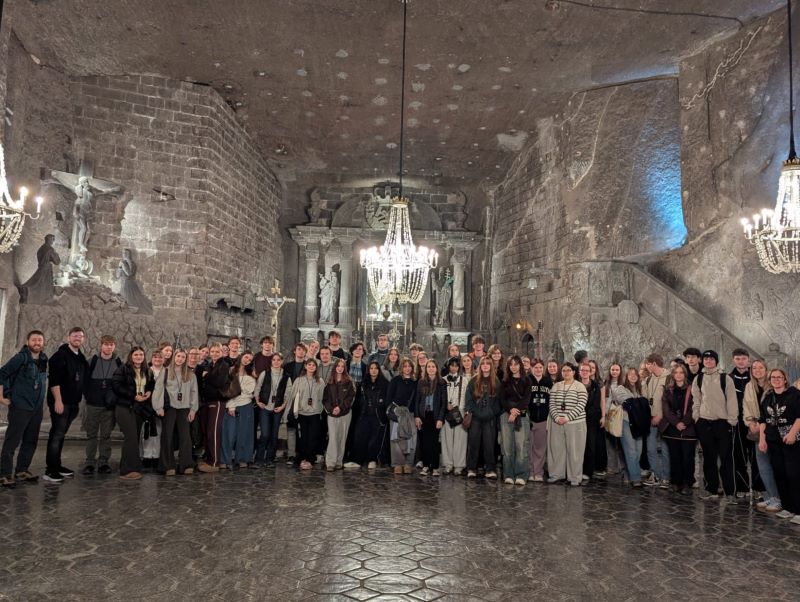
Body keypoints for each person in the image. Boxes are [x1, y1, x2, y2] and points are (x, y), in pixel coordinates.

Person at [0, 331, 48, 488]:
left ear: (43, 343)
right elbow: (2, 373)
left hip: (36, 407)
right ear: (28, 342)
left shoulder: (43, 359)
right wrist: (2, 396)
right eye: (34, 340)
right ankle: (4, 474)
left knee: (31, 440)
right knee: (12, 441)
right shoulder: (20, 358)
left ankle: (21, 471)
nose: (37, 342)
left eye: (39, 340)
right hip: (21, 406)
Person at [44, 327, 89, 483]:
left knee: (61, 435)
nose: (78, 338)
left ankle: (57, 465)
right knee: (56, 435)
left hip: (73, 403)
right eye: (75, 335)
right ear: (69, 337)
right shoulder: (60, 356)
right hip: (60, 402)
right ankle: (50, 470)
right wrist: (58, 400)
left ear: (83, 339)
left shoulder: (80, 357)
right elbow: (54, 380)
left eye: (81, 336)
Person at [693, 350, 738, 502]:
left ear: (716, 361)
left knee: (726, 458)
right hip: (704, 422)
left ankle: (730, 492)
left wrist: (732, 420)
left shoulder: (726, 378)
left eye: (711, 359)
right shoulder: (698, 378)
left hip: (723, 423)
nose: (708, 361)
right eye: (706, 359)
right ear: (703, 361)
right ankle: (711, 489)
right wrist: (696, 417)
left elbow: (732, 400)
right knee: (709, 457)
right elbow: (696, 400)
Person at [759, 369, 800, 523]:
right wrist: (762, 440)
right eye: (773, 377)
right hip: (773, 441)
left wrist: (792, 433)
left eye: (779, 377)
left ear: (785, 379)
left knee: (794, 474)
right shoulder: (768, 398)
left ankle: (799, 510)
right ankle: (788, 508)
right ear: (770, 380)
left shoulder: (794, 394)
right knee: (780, 474)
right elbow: (763, 420)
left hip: (791, 440)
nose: (776, 379)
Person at [152, 349, 198, 476]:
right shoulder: (165, 371)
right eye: (178, 356)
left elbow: (194, 392)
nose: (180, 359)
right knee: (167, 436)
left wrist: (193, 409)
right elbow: (158, 390)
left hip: (184, 408)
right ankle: (167, 466)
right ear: (174, 357)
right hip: (170, 408)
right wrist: (158, 407)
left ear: (186, 359)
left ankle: (186, 464)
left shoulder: (190, 374)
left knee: (185, 437)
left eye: (183, 357)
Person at [112, 347, 154, 481]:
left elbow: (151, 384)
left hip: (138, 408)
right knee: (130, 436)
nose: (139, 356)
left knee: (134, 437)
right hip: (125, 406)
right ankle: (128, 470)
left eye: (141, 354)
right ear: (131, 356)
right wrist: (133, 396)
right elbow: (116, 386)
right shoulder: (123, 369)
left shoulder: (146, 370)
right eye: (136, 354)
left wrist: (149, 392)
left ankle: (129, 467)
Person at [81, 335, 122, 475]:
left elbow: (121, 383)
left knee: (106, 435)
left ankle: (104, 462)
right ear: (101, 345)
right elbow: (83, 380)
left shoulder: (118, 362)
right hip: (92, 405)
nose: (109, 347)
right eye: (106, 344)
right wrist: (88, 396)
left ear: (114, 346)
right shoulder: (92, 361)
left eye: (111, 344)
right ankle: (90, 462)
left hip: (109, 407)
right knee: (91, 435)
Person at [744, 360, 781, 512]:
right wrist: (750, 424)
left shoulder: (773, 385)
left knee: (777, 466)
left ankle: (780, 498)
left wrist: (761, 423)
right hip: (756, 431)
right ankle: (771, 496)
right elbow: (746, 407)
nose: (757, 370)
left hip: (773, 430)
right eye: (754, 368)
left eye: (761, 367)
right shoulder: (749, 386)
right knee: (763, 466)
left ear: (766, 369)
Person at [547, 363, 588, 487]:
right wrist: (557, 417)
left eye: (568, 370)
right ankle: (556, 474)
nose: (566, 373)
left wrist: (567, 417)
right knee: (556, 449)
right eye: (564, 370)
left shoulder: (579, 386)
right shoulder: (556, 386)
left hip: (575, 423)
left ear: (574, 372)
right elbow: (552, 403)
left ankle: (575, 477)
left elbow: (581, 404)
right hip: (557, 422)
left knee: (575, 451)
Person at [660, 363, 697, 495]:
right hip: (673, 429)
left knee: (687, 457)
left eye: (681, 372)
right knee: (675, 457)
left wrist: (684, 422)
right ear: (673, 375)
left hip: (689, 429)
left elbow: (694, 407)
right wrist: (676, 423)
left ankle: (687, 483)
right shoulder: (668, 390)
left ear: (685, 374)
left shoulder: (692, 389)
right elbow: (666, 410)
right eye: (676, 373)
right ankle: (676, 482)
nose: (679, 375)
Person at [198, 343, 232, 473]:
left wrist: (206, 376)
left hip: (217, 402)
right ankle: (208, 459)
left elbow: (220, 382)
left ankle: (215, 462)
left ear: (221, 352)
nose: (214, 353)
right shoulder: (209, 365)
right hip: (207, 402)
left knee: (213, 432)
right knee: (206, 432)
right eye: (212, 351)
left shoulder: (224, 365)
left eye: (217, 351)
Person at [254, 353, 292, 467]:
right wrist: (257, 401)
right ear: (271, 361)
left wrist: (282, 406)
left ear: (281, 361)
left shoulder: (286, 376)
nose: (276, 362)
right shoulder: (265, 373)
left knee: (274, 435)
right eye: (274, 360)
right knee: (265, 434)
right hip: (265, 407)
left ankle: (270, 459)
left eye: (278, 360)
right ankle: (259, 459)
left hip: (277, 408)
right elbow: (258, 387)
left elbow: (288, 394)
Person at [465, 357, 500, 479]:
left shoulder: (495, 381)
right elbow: (468, 400)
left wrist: (490, 413)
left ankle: (490, 469)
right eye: (483, 364)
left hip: (490, 418)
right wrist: (476, 412)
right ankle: (471, 468)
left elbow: (498, 402)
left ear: (491, 366)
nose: (485, 366)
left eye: (488, 364)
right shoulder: (473, 381)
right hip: (475, 417)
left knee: (489, 444)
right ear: (480, 366)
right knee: (473, 443)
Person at [350, 361, 389, 470]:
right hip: (364, 414)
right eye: (371, 368)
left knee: (375, 439)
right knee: (360, 437)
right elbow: (358, 400)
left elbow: (387, 399)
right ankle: (357, 460)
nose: (373, 370)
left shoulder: (385, 384)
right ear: (368, 370)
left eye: (376, 368)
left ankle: (372, 460)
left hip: (378, 415)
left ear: (379, 370)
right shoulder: (363, 383)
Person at [222, 352, 257, 469]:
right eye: (246, 357)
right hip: (230, 406)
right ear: (241, 357)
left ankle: (243, 458)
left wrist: (240, 391)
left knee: (245, 434)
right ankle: (225, 459)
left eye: (250, 359)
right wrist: (231, 404)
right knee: (229, 434)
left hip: (246, 406)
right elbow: (226, 389)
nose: (247, 360)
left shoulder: (251, 374)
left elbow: (250, 392)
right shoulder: (230, 371)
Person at [500, 355, 531, 485]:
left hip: (522, 415)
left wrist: (516, 410)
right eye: (511, 364)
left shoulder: (527, 380)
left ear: (520, 365)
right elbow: (501, 399)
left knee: (521, 446)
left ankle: (521, 475)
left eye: (516, 364)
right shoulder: (505, 381)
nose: (514, 366)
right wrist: (510, 410)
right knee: (507, 446)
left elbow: (526, 399)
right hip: (506, 415)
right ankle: (508, 474)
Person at [729, 348, 756, 497]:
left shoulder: (755, 376)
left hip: (754, 421)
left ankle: (760, 488)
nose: (741, 361)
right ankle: (742, 487)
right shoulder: (728, 378)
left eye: (743, 358)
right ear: (734, 360)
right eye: (738, 359)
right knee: (738, 455)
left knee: (756, 456)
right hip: (736, 422)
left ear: (748, 360)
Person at [292, 358, 325, 470]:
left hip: (315, 414)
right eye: (309, 364)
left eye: (313, 365)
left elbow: (323, 398)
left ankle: (310, 459)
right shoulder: (299, 380)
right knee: (302, 438)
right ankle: (302, 458)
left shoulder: (320, 381)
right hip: (302, 414)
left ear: (316, 367)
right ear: (305, 366)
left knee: (312, 438)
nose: (311, 367)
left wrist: (319, 409)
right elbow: (293, 397)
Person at [323, 358, 356, 470]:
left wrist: (340, 408)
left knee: (342, 437)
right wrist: (331, 409)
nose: (340, 368)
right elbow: (325, 399)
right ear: (335, 367)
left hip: (345, 414)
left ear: (345, 368)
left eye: (342, 366)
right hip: (332, 414)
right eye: (338, 366)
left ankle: (338, 461)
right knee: (332, 437)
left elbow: (351, 398)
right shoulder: (329, 382)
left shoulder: (349, 382)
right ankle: (330, 462)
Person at [643, 353, 670, 488]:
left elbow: (669, 401)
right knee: (650, 449)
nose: (646, 366)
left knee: (665, 449)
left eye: (648, 364)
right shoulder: (648, 380)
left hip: (665, 420)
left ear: (654, 364)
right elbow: (646, 400)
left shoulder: (669, 378)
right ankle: (656, 474)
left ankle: (666, 477)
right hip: (650, 420)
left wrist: (659, 415)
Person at [387, 358, 418, 474]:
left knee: (411, 439)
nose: (407, 368)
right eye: (405, 366)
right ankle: (397, 463)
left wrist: (416, 415)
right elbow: (389, 398)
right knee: (396, 438)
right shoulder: (395, 380)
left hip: (410, 413)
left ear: (412, 368)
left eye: (409, 366)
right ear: (401, 368)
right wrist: (392, 411)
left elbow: (417, 400)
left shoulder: (416, 382)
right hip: (397, 412)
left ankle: (408, 463)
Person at [416, 359, 446, 476]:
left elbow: (443, 402)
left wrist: (440, 418)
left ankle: (435, 467)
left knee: (434, 442)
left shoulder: (441, 382)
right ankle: (426, 465)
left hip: (435, 415)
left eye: (433, 366)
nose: (431, 369)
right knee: (424, 441)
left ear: (436, 369)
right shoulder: (421, 382)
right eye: (429, 367)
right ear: (426, 369)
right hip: (424, 415)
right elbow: (417, 400)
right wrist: (417, 416)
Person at [441, 357, 468, 476]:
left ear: (459, 367)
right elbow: (439, 396)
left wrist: (465, 411)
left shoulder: (465, 380)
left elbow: (467, 397)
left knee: (460, 440)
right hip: (446, 412)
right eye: (451, 365)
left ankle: (459, 465)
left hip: (460, 412)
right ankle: (448, 464)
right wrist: (445, 404)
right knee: (446, 439)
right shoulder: (442, 380)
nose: (453, 368)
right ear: (448, 367)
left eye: (456, 366)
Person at [528, 359, 551, 482]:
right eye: (535, 367)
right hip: (529, 419)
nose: (538, 369)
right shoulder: (527, 380)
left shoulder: (548, 382)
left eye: (540, 367)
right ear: (531, 368)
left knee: (540, 447)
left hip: (543, 419)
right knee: (529, 446)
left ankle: (538, 472)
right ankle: (530, 471)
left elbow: (551, 401)